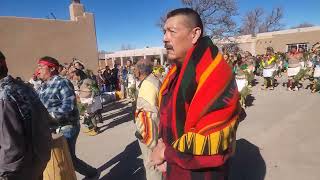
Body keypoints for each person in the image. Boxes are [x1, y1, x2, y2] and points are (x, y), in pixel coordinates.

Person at [149, 8, 240, 180]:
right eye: (164, 31)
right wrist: (162, 146)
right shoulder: (175, 71)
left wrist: (165, 153)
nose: (164, 38)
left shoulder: (215, 73)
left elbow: (210, 143)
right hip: (175, 168)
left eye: (172, 31)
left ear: (195, 34)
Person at [36, 56, 98, 178]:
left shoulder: (62, 82)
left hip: (67, 127)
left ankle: (92, 173)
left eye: (41, 67)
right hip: (52, 128)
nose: (38, 70)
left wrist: (48, 116)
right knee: (63, 158)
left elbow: (68, 106)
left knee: (67, 158)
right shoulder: (43, 86)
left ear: (52, 68)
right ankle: (91, 173)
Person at [0, 51, 52, 180]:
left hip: (18, 170)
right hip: (37, 161)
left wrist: (4, 174)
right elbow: (45, 118)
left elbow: (11, 147)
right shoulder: (24, 87)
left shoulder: (4, 96)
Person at [133, 58, 162, 180]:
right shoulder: (152, 80)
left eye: (134, 69)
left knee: (152, 166)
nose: (133, 71)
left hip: (151, 136)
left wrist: (152, 144)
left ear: (139, 71)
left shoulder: (147, 86)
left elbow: (149, 117)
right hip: (156, 132)